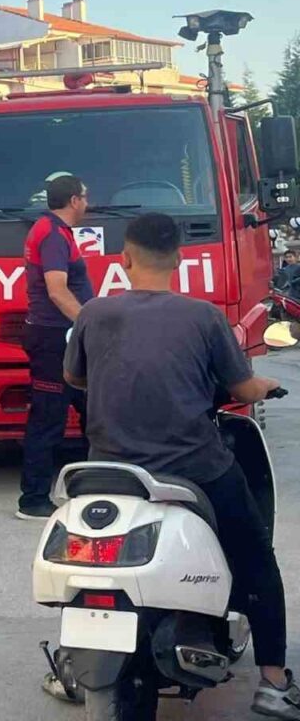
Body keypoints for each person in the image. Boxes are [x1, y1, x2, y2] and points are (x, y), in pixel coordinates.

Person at [63, 213, 299, 718]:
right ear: (180, 259)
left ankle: (71, 659)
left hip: (108, 471)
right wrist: (266, 386)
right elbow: (240, 388)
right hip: (193, 469)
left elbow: (76, 379)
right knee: (255, 557)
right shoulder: (204, 317)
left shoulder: (93, 314)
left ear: (123, 260)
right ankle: (274, 682)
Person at [17, 174, 94, 520]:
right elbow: (57, 290)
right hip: (54, 339)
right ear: (74, 200)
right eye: (85, 197)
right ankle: (32, 500)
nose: (87, 204)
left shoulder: (55, 232)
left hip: (61, 337)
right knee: (48, 418)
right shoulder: (52, 235)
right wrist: (89, 323)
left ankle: (96, 486)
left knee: (96, 411)